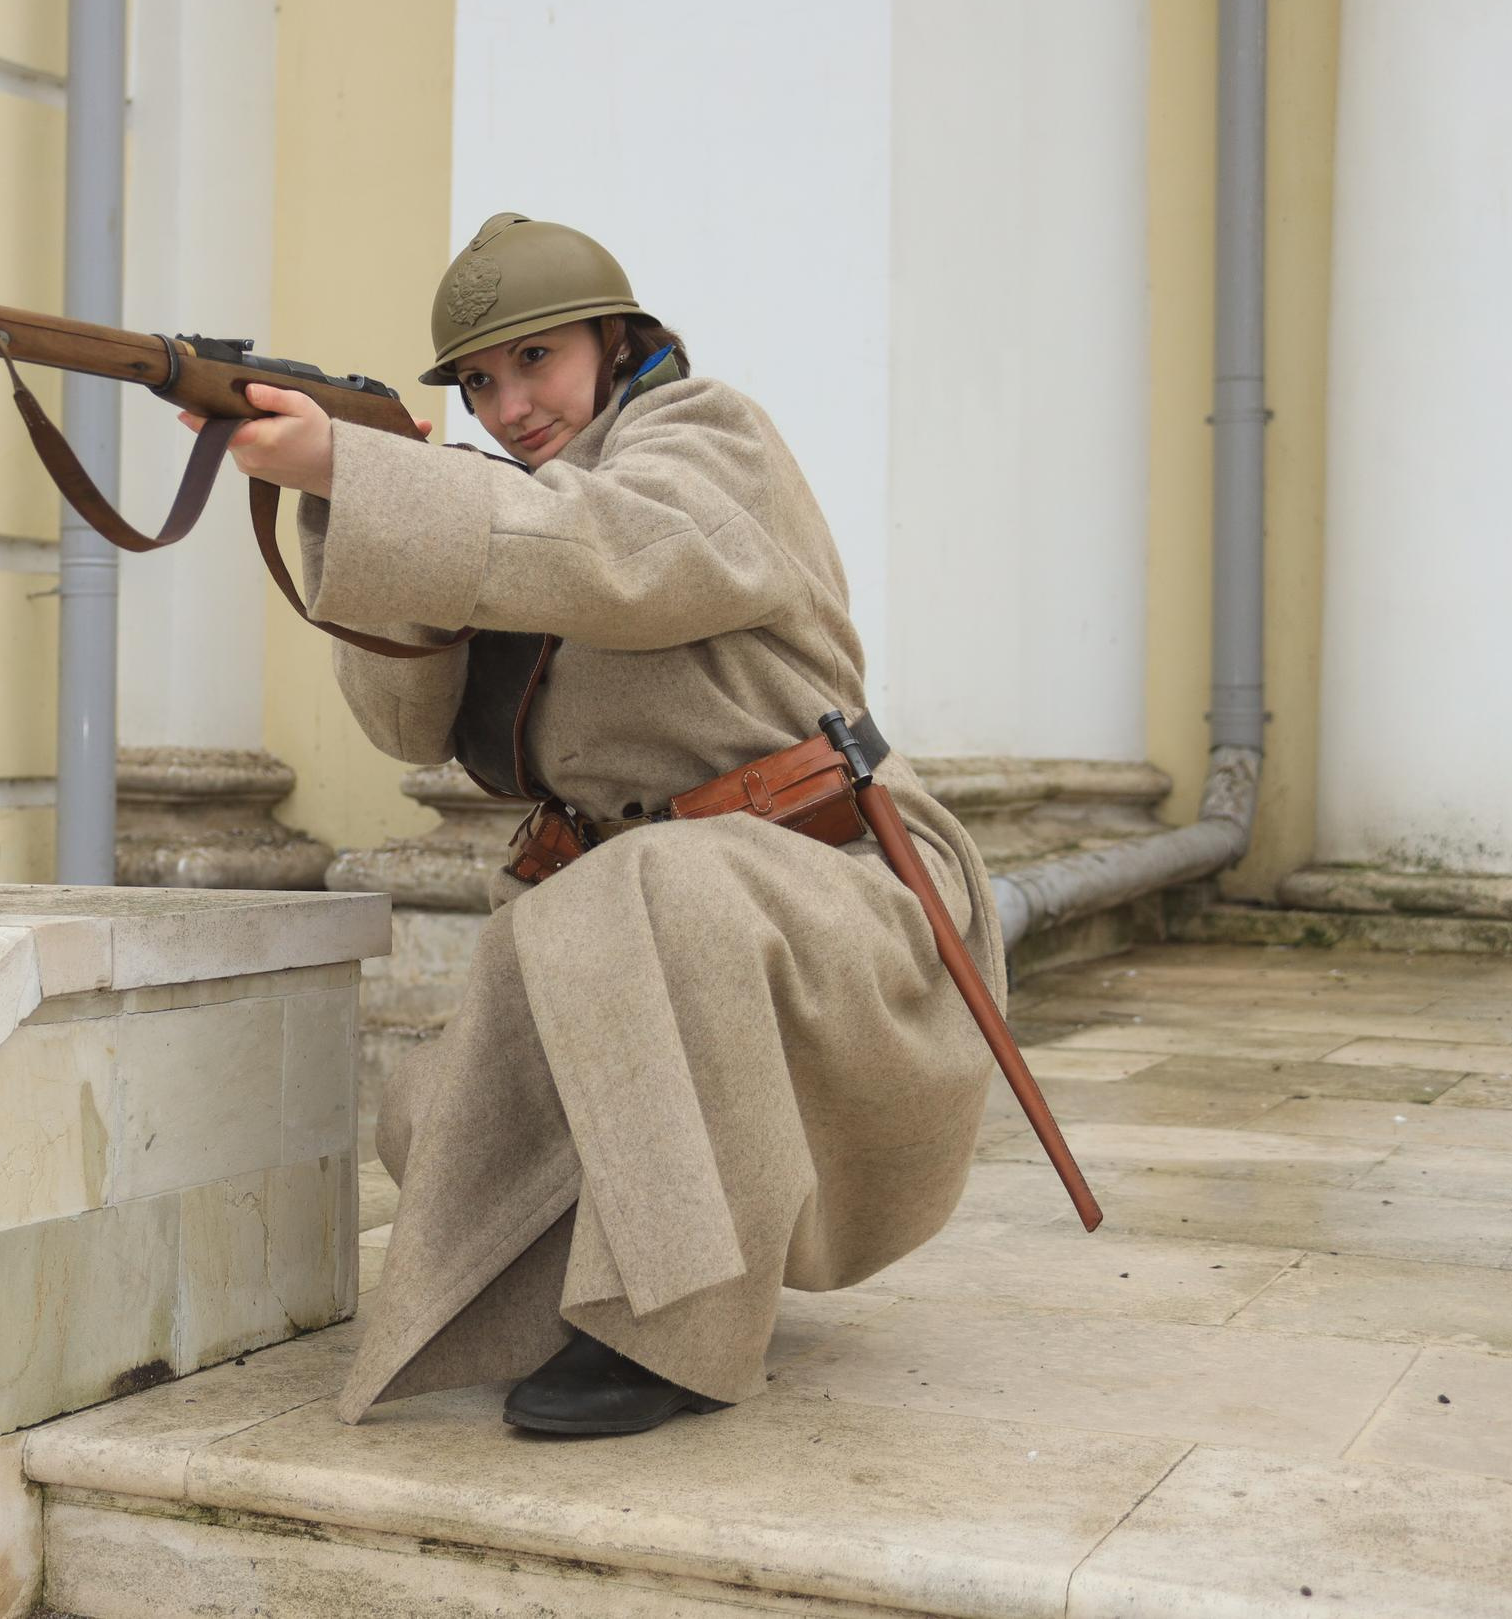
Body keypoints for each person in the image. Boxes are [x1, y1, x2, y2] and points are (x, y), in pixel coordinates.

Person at [181, 213, 1003, 1437]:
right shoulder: (509, 507)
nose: (508, 406)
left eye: (538, 361)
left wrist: (372, 476)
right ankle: (661, 1250)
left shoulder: (705, 435)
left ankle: (673, 1329)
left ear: (615, 344)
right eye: (477, 383)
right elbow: (411, 725)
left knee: (653, 888)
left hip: (838, 897)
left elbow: (632, 558)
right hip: (642, 933)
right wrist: (349, 502)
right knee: (437, 1119)